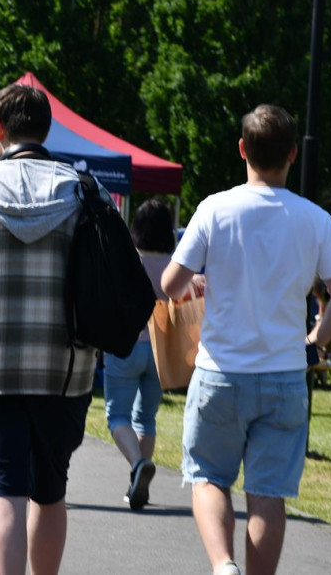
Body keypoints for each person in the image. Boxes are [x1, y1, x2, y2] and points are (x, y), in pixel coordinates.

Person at [160, 104, 331, 575]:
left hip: (220, 373)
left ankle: (223, 564)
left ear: (242, 149)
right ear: (293, 154)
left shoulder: (214, 208)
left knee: (208, 478)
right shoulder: (315, 219)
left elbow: (170, 284)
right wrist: (313, 341)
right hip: (285, 375)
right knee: (269, 494)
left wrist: (195, 285)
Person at [0, 84, 94, 575]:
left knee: (4, 494)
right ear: (45, 129)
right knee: (51, 494)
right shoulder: (82, 192)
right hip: (64, 370)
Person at [104, 198, 178, 511]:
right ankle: (139, 481)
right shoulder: (176, 262)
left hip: (127, 342)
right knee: (145, 417)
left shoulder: (128, 257)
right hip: (161, 350)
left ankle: (137, 466)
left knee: (117, 415)